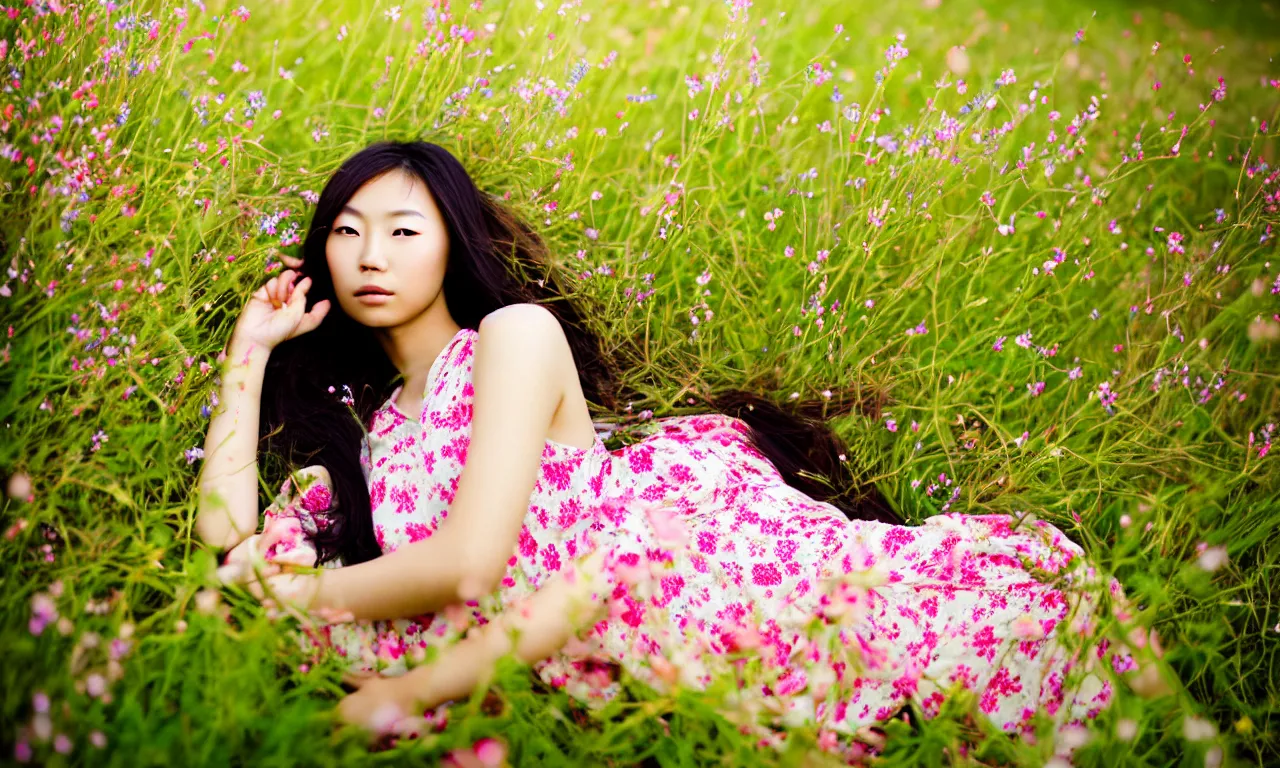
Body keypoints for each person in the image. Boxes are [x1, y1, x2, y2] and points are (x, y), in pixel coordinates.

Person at [195, 141, 1171, 762]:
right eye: (348, 233)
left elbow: (468, 559)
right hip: (554, 648)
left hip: (670, 596)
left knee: (980, 645)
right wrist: (250, 349)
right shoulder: (380, 434)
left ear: (451, 245)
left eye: (404, 230)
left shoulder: (511, 340)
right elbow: (226, 536)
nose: (371, 254)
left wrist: (291, 599)